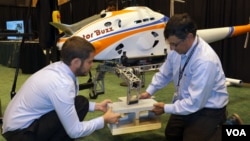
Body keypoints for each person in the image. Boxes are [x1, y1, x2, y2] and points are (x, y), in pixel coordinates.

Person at [2, 36, 121, 141]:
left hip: (18, 125)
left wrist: (98, 106)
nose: (92, 65)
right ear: (76, 62)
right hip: (21, 134)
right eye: (89, 62)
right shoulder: (62, 84)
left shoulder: (59, 67)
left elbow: (69, 102)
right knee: (75, 118)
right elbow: (75, 131)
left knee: (81, 103)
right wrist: (104, 120)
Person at [140, 13, 229, 141]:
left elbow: (195, 103)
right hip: (185, 101)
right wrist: (148, 92)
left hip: (208, 108)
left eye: (174, 44)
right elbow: (165, 73)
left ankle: (230, 127)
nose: (171, 48)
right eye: (169, 43)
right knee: (171, 135)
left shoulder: (205, 61)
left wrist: (166, 108)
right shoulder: (176, 47)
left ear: (189, 37)